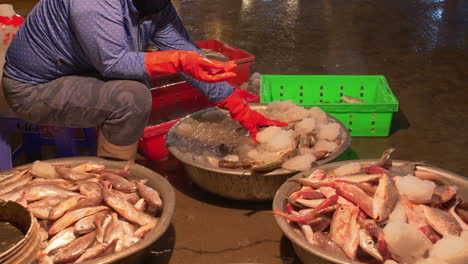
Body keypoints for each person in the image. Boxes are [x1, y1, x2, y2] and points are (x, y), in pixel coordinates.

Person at [1, 0, 287, 161]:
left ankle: (111, 167)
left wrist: (239, 107)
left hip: (77, 71)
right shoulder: (92, 3)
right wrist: (176, 61)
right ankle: (113, 182)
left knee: (147, 75)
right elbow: (113, 63)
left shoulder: (155, 5)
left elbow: (188, 53)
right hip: (34, 88)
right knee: (133, 97)